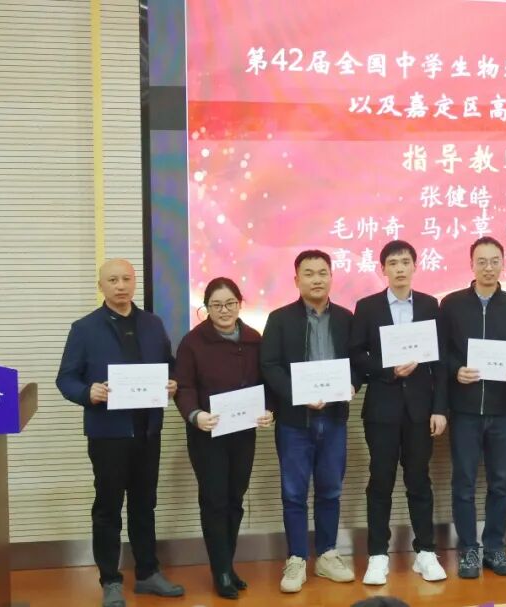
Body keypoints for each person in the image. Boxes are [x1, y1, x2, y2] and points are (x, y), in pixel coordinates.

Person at [56, 258, 185, 607]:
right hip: (108, 434)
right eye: (112, 280)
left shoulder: (153, 324)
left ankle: (147, 573)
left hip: (148, 431)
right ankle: (110, 580)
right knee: (108, 508)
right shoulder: (85, 328)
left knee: (145, 505)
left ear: (135, 282)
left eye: (126, 278)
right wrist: (88, 392)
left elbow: (169, 366)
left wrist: (172, 382)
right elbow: (65, 378)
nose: (121, 285)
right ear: (101, 285)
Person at [261, 249, 362, 593]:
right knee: (293, 493)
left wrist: (353, 384)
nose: (316, 279)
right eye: (309, 273)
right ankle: (297, 558)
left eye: (322, 272)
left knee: (330, 490)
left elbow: (358, 362)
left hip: (334, 419)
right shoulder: (279, 319)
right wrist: (297, 394)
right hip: (294, 421)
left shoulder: (346, 318)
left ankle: (327, 555)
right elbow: (269, 365)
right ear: (296, 280)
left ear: (331, 277)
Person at [349, 240, 448, 585]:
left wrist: (440, 408)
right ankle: (378, 555)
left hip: (421, 410)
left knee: (419, 480)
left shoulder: (430, 305)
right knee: (381, 481)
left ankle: (425, 552)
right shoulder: (368, 307)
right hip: (382, 409)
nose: (400, 268)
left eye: (405, 261)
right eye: (393, 263)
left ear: (415, 266)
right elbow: (356, 354)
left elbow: (440, 362)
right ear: (383, 269)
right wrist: (388, 370)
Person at [174, 277, 274, 598]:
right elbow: (184, 386)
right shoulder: (193, 342)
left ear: (240, 304)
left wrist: (270, 410)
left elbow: (268, 382)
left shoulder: (254, 338)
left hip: (243, 433)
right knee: (214, 501)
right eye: (216, 305)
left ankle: (227, 565)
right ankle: (220, 572)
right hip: (208, 434)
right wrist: (195, 415)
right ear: (206, 308)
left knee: (235, 499)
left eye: (230, 303)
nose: (224, 310)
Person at [439, 236, 506, 579]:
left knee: (500, 483)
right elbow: (442, 352)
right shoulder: (451, 305)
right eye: (482, 261)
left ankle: (494, 546)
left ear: (503, 264)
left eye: (495, 261)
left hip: (503, 411)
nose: (488, 268)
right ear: (471, 264)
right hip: (464, 411)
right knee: (463, 482)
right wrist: (455, 370)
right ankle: (467, 549)